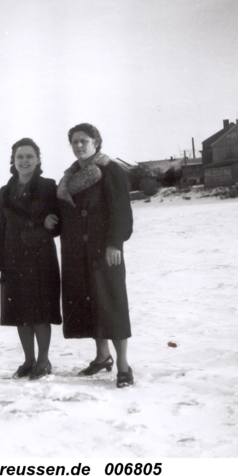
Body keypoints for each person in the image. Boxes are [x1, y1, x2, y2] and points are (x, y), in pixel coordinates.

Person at [45, 124, 134, 387]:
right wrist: (53, 223)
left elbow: (121, 211)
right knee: (92, 304)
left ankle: (124, 366)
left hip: (104, 251)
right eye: (74, 142)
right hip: (76, 252)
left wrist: (115, 243)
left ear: (96, 142)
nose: (79, 146)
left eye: (84, 141)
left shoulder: (111, 170)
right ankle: (102, 356)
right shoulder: (69, 177)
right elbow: (67, 216)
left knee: (112, 303)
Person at [0, 138, 62, 380]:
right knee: (20, 312)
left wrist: (42, 228)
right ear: (13, 160)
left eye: (29, 156)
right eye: (20, 157)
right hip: (13, 258)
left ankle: (43, 360)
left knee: (41, 311)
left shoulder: (48, 186)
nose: (24, 161)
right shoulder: (5, 191)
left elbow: (58, 224)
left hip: (40, 257)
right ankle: (29, 360)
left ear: (38, 159)